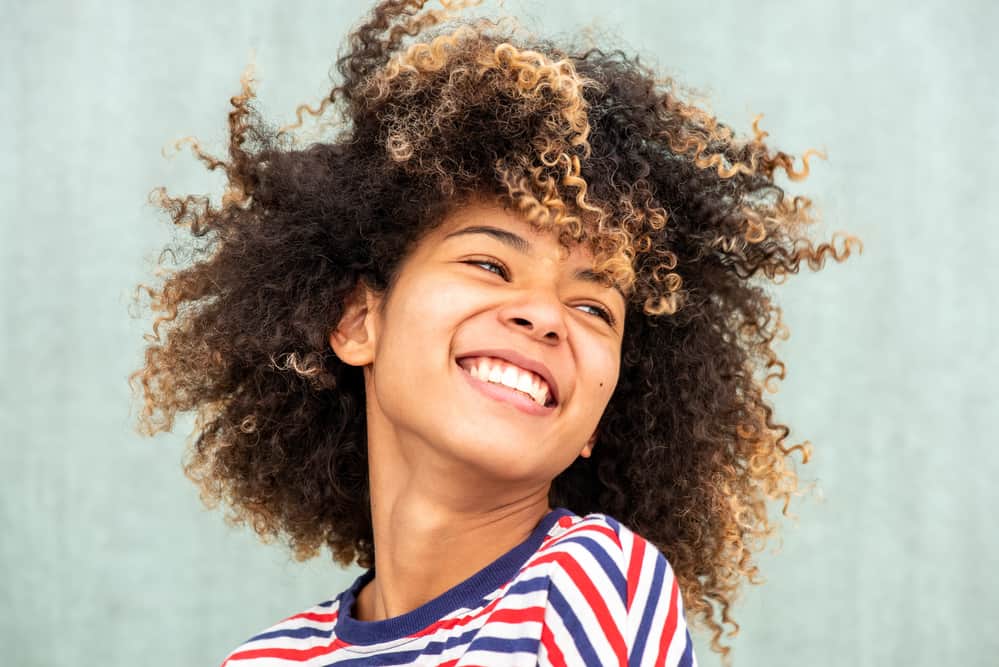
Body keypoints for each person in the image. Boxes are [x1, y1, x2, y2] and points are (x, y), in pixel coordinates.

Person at [129, 1, 861, 665]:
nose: (543, 314)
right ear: (357, 320)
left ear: (595, 422)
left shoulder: (591, 584)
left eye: (593, 308)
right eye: (487, 262)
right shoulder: (263, 660)